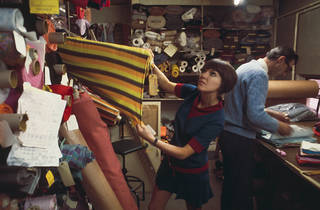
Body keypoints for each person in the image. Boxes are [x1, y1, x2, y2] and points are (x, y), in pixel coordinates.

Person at [136, 58, 237, 210]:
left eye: (213, 74)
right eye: (204, 71)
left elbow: (184, 153)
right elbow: (167, 84)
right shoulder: (193, 93)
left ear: (223, 85)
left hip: (192, 173)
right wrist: (151, 63)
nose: (203, 75)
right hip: (170, 166)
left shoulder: (216, 119)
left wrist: (153, 140)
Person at [219, 46, 299, 210]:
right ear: (281, 60)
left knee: (231, 189)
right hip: (239, 139)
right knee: (241, 193)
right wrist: (280, 127)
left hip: (228, 135)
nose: (285, 74)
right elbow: (254, 115)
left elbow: (241, 101)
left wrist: (270, 112)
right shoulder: (260, 74)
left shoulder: (247, 66)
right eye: (287, 68)